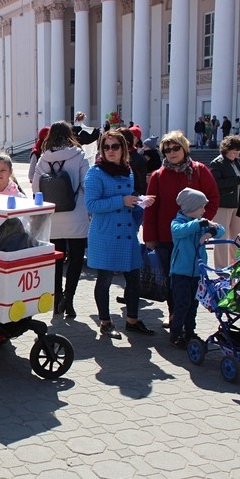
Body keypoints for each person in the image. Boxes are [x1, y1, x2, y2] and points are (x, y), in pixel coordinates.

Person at [144, 130, 219, 327]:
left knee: (192, 280)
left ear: (184, 148)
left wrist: (203, 223)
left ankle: (188, 320)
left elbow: (213, 200)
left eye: (176, 147)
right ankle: (174, 316)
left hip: (192, 238)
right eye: (167, 149)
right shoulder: (158, 176)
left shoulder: (200, 170)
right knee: (172, 280)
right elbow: (151, 209)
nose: (171, 152)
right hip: (167, 237)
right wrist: (149, 237)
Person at [85, 130, 155, 338]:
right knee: (104, 279)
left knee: (134, 278)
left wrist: (139, 201)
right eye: (106, 147)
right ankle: (105, 322)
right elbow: (91, 205)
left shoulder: (128, 171)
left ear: (123, 149)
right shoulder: (95, 173)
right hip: (105, 233)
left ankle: (132, 320)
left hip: (126, 232)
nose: (110, 151)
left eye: (115, 146)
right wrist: (122, 201)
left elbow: (128, 198)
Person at [32, 121, 89, 319]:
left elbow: (36, 188)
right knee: (75, 260)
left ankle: (56, 300)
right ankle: (69, 300)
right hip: (76, 214)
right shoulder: (79, 155)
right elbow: (86, 184)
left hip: (53, 217)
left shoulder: (43, 159)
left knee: (56, 261)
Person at [169, 188, 225, 349]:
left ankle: (190, 332)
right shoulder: (178, 222)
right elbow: (178, 231)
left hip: (197, 273)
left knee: (193, 304)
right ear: (190, 208)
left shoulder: (201, 222)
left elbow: (220, 230)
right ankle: (176, 333)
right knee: (182, 304)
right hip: (180, 272)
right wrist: (200, 223)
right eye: (201, 207)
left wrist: (210, 232)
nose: (204, 211)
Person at [208, 135, 240, 268]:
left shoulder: (236, 162)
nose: (237, 154)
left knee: (237, 238)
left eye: (238, 152)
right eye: (234, 151)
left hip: (237, 204)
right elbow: (215, 183)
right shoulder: (217, 163)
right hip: (223, 205)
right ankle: (220, 267)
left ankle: (235, 265)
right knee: (221, 239)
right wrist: (237, 180)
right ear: (226, 149)